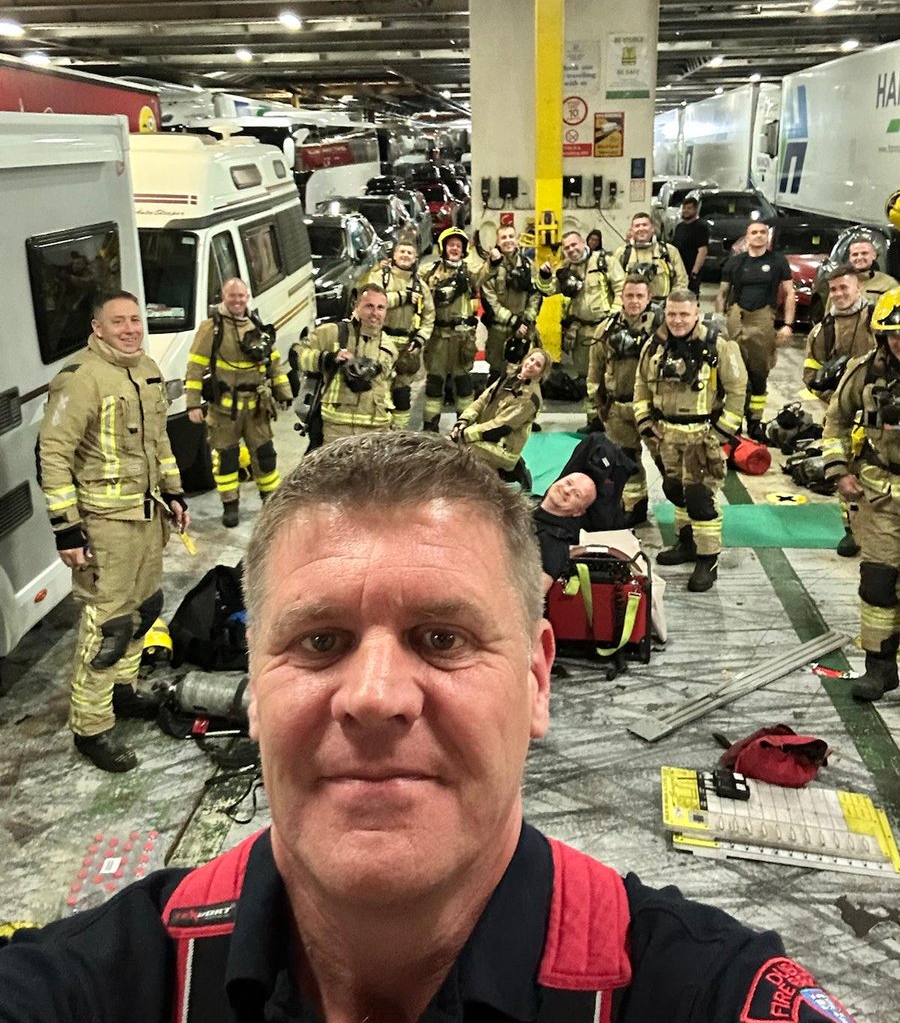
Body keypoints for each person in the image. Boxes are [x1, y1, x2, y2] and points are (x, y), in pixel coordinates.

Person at [1, 432, 858, 1023]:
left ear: (535, 679)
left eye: (441, 639)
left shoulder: (688, 989)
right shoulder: (105, 982)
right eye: (319, 640)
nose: (375, 697)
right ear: (253, 688)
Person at [38, 291, 189, 773]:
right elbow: (54, 455)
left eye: (135, 320)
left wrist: (176, 491)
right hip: (104, 523)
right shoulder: (80, 380)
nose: (130, 328)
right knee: (109, 623)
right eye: (118, 321)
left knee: (146, 609)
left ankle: (122, 693)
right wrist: (66, 530)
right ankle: (91, 728)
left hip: (148, 515)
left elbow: (159, 440)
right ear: (96, 327)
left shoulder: (145, 369)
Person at [633, 290, 747, 592]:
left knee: (700, 499)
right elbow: (641, 386)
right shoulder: (654, 346)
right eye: (672, 314)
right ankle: (687, 543)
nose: (677, 320)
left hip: (702, 437)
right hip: (665, 436)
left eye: (684, 314)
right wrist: (645, 423)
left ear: (696, 313)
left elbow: (737, 394)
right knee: (674, 490)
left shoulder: (719, 347)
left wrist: (719, 434)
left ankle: (707, 560)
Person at [823, 288, 900, 702]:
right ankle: (880, 668)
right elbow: (835, 420)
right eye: (894, 336)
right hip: (881, 492)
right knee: (877, 583)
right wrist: (839, 470)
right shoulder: (866, 372)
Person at [185, 277, 292, 528]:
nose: (237, 301)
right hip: (224, 409)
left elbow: (274, 362)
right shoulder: (211, 328)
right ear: (224, 297)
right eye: (232, 296)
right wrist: (192, 404)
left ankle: (270, 504)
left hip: (257, 406)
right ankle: (230, 505)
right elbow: (195, 367)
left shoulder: (256, 325)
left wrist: (283, 392)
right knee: (226, 459)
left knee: (265, 456)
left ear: (247, 298)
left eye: (241, 296)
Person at [803, 265, 874, 559]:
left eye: (844, 287)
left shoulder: (876, 322)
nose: (839, 294)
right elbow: (810, 373)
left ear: (858, 288)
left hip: (876, 415)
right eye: (833, 289)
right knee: (844, 471)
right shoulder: (822, 331)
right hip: (842, 413)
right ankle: (852, 531)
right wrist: (835, 397)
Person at [715, 220, 795, 442]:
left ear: (767, 237)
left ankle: (755, 422)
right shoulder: (735, 263)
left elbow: (789, 293)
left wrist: (787, 325)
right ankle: (734, 423)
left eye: (762, 232)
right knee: (733, 375)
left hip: (762, 320)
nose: (759, 236)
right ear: (746, 237)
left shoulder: (778, 262)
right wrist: (719, 322)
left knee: (759, 376)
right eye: (754, 232)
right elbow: (722, 294)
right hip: (736, 319)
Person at [587, 275, 657, 526]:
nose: (634, 301)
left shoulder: (661, 329)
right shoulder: (606, 329)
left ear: (649, 298)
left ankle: (687, 519)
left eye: (640, 296)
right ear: (621, 297)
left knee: (671, 468)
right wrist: (598, 404)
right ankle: (635, 508)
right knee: (627, 462)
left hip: (652, 412)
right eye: (630, 295)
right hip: (617, 408)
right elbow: (595, 367)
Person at [292, 284, 398, 445]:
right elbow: (296, 355)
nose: (375, 313)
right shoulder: (333, 333)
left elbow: (387, 389)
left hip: (375, 432)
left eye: (380, 308)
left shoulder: (389, 348)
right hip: (336, 429)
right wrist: (326, 359)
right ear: (357, 306)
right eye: (369, 306)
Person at [537, 230, 615, 424]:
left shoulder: (605, 262)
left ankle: (611, 424)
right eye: (567, 248)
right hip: (580, 331)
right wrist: (545, 276)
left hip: (604, 329)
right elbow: (549, 291)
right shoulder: (565, 269)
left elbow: (621, 289)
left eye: (574, 245)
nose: (572, 250)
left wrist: (615, 320)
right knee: (586, 377)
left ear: (583, 242)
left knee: (608, 376)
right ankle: (593, 422)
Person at [363, 233, 435, 431]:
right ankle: (380, 435)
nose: (405, 255)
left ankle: (399, 436)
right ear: (394, 255)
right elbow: (373, 302)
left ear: (415, 259)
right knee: (379, 394)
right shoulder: (380, 278)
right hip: (380, 343)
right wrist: (404, 297)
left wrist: (420, 339)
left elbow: (429, 316)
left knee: (402, 396)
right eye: (402, 251)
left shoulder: (421, 286)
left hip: (406, 348)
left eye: (409, 253)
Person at [449, 348, 549, 484]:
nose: (531, 365)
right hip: (489, 435)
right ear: (525, 359)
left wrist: (463, 435)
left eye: (538, 365)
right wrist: (463, 421)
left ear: (542, 373)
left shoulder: (530, 398)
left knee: (458, 453)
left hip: (503, 446)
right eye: (531, 359)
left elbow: (501, 426)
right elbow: (482, 400)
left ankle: (505, 469)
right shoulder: (511, 376)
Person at [420, 227, 479, 431]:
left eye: (458, 246)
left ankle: (464, 426)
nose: (454, 249)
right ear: (443, 248)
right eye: (451, 245)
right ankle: (430, 426)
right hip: (437, 338)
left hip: (462, 338)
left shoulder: (471, 272)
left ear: (464, 250)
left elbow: (486, 275)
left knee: (464, 384)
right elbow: (410, 276)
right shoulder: (430, 271)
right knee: (434, 384)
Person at [477, 222, 544, 382]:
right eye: (503, 237)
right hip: (499, 331)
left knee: (524, 373)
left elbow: (536, 294)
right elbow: (489, 300)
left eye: (511, 236)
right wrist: (513, 321)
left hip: (524, 330)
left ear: (517, 239)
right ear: (497, 242)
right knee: (496, 373)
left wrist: (527, 320)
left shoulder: (528, 266)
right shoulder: (490, 268)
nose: (508, 240)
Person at [533, 471, 599, 591]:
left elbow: (533, 597)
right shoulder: (524, 507)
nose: (567, 490)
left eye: (577, 495)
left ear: (578, 512)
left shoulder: (554, 545)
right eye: (568, 483)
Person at [609, 212, 688, 305]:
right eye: (637, 226)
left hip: (662, 306)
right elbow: (613, 284)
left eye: (645, 225)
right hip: (632, 306)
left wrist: (673, 303)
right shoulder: (622, 253)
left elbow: (681, 281)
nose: (641, 228)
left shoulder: (669, 251)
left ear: (652, 229)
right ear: (632, 230)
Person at [671, 192, 709, 296]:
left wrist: (694, 272)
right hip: (678, 270)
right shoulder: (679, 227)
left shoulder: (700, 227)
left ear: (695, 210)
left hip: (691, 270)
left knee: (691, 297)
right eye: (684, 208)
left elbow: (702, 250)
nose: (685, 211)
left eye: (689, 208)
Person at [846, 235, 898, 307]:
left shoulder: (888, 284)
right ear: (850, 258)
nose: (859, 257)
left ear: (874, 255)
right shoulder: (839, 283)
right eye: (855, 254)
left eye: (864, 253)